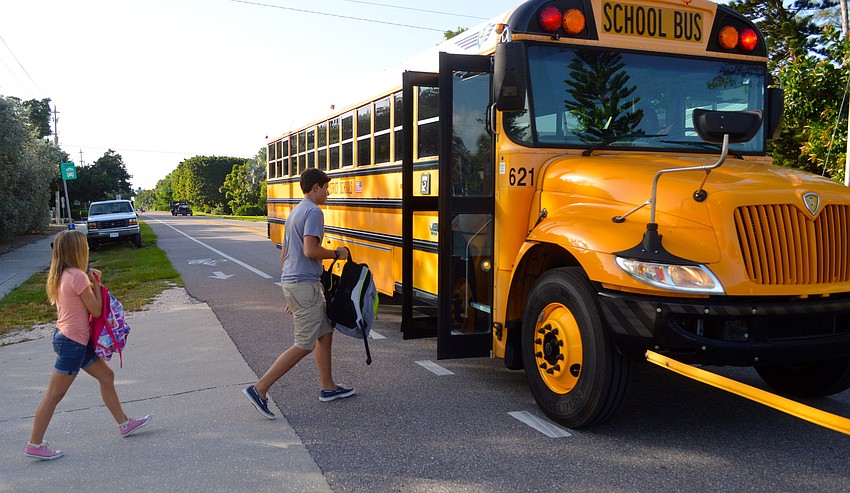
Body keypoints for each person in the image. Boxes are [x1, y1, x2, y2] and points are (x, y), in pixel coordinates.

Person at [24, 230, 150, 461]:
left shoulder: (62, 273)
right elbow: (97, 310)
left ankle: (124, 423)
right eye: (85, 245)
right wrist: (96, 282)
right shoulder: (78, 277)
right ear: (76, 250)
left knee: (106, 376)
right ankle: (35, 443)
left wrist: (92, 282)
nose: (88, 248)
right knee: (54, 394)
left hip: (69, 339)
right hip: (73, 343)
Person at [244, 168, 354, 420]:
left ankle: (328, 387)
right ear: (315, 187)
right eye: (326, 187)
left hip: (296, 283)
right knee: (304, 343)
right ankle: (259, 388)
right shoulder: (314, 211)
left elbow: (285, 254)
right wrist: (337, 253)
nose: (328, 192)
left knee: (325, 332)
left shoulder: (296, 211)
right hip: (303, 284)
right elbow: (309, 250)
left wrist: (289, 292)